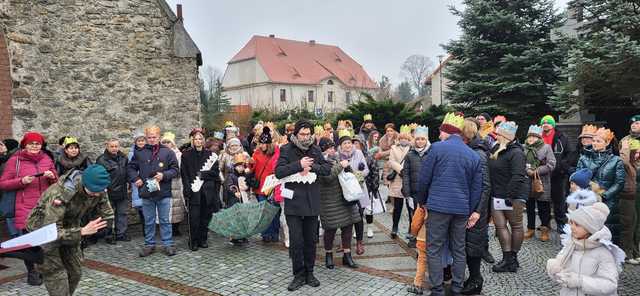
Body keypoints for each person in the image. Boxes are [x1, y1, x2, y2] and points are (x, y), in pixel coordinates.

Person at [416, 113, 482, 296]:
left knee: (434, 248)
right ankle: (456, 288)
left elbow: (423, 180)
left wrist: (423, 202)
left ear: (449, 132)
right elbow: (477, 188)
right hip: (461, 210)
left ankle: (437, 289)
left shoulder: (436, 149)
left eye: (441, 132)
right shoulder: (473, 156)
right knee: (459, 249)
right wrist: (470, 210)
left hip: (437, 207)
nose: (439, 135)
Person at [25, 164, 114, 296]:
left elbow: (107, 213)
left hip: (70, 227)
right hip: (43, 231)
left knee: (75, 272)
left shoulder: (98, 188)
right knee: (56, 275)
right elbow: (51, 231)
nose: (96, 194)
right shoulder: (61, 193)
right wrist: (82, 232)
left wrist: (105, 226)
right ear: (84, 183)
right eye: (93, 191)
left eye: (99, 191)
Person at [275, 119, 332, 291]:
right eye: (302, 134)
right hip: (293, 203)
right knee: (297, 241)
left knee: (310, 240)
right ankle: (298, 274)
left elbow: (326, 169)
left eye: (308, 134)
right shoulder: (286, 149)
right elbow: (279, 172)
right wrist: (298, 165)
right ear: (296, 134)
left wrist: (312, 167)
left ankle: (310, 272)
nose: (306, 137)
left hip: (311, 203)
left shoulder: (315, 149)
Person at [0, 132, 57, 286]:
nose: (34, 146)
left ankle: (43, 268)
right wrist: (21, 181)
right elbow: (3, 183)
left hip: (45, 206)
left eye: (37, 144)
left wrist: (52, 176)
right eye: (31, 143)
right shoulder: (15, 160)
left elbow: (56, 181)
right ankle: (32, 272)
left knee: (45, 239)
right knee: (30, 242)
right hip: (25, 207)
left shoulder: (46, 158)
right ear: (24, 145)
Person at [546, 202, 622, 296]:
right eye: (571, 223)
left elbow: (610, 284)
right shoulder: (571, 245)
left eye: (577, 225)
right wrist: (555, 270)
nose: (572, 227)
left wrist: (580, 281)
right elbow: (563, 272)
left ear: (590, 228)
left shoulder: (604, 253)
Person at [128, 126, 179, 257]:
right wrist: (136, 178)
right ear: (146, 137)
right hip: (146, 192)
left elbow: (175, 170)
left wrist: (164, 175)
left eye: (154, 137)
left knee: (164, 220)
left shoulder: (168, 152)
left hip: (163, 192)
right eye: (149, 137)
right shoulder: (139, 152)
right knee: (149, 220)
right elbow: (131, 168)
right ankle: (149, 244)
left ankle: (168, 244)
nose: (151, 139)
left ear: (159, 136)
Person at [488, 121, 527, 273]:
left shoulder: (517, 153)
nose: (496, 136)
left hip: (513, 196)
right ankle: (506, 258)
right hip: (497, 194)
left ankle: (512, 258)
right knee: (500, 226)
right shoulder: (497, 148)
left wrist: (509, 196)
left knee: (516, 225)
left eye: (499, 134)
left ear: (506, 136)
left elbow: (518, 176)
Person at [576, 127, 625, 245]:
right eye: (593, 141)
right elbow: (578, 179)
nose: (594, 143)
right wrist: (590, 193)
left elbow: (619, 182)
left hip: (609, 202)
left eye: (598, 141)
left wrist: (605, 195)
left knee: (608, 232)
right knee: (588, 232)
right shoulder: (584, 158)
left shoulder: (616, 160)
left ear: (607, 143)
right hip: (589, 201)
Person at [459, 119, 491, 295]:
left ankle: (476, 280)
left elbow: (486, 185)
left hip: (476, 209)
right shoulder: (472, 149)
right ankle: (472, 279)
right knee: (468, 244)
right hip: (469, 206)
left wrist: (478, 211)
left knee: (473, 246)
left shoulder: (478, 153)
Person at [317, 137, 359, 269]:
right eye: (329, 147)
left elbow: (349, 174)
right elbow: (327, 178)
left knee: (347, 226)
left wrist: (348, 168)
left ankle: (347, 255)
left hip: (344, 199)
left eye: (333, 147)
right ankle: (328, 255)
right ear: (323, 150)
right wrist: (341, 166)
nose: (332, 150)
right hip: (328, 201)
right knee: (330, 229)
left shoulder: (337, 158)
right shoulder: (320, 163)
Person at [181, 128, 222, 251]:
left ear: (204, 141)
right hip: (193, 191)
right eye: (196, 139)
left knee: (205, 217)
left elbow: (215, 173)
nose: (198, 141)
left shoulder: (211, 155)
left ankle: (203, 239)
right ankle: (193, 241)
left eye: (200, 139)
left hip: (207, 192)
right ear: (192, 141)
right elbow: (184, 174)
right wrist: (187, 189)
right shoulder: (186, 155)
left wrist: (203, 175)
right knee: (194, 218)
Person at [540, 115, 574, 233]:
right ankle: (545, 223)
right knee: (543, 201)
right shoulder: (538, 137)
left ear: (553, 125)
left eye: (548, 122)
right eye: (543, 123)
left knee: (559, 200)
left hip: (558, 174)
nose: (545, 124)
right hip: (542, 174)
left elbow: (569, 154)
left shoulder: (561, 137)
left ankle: (560, 222)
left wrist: (561, 167)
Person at [337, 130, 369, 255]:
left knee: (358, 216)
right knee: (344, 217)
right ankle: (345, 243)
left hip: (358, 189)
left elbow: (366, 169)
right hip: (344, 190)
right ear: (340, 146)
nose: (348, 145)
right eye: (345, 143)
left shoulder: (359, 153)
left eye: (349, 143)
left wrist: (359, 175)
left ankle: (360, 242)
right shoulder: (337, 155)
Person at [523, 125, 557, 242]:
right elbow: (520, 163)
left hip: (542, 181)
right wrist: (528, 171)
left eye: (534, 137)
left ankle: (544, 229)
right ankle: (530, 228)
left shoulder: (546, 147)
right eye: (529, 137)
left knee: (544, 207)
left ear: (539, 138)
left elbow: (552, 164)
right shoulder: (524, 148)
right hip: (527, 181)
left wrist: (537, 171)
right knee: (529, 207)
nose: (531, 139)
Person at [95, 138, 130, 244]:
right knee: (108, 215)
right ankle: (108, 235)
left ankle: (121, 234)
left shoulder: (124, 158)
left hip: (122, 190)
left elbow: (127, 172)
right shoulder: (101, 160)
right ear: (107, 146)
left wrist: (129, 184)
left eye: (116, 146)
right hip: (108, 191)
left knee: (122, 213)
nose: (114, 148)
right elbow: (99, 176)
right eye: (112, 146)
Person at [401, 125, 430, 248]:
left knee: (426, 217)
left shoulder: (432, 153)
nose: (420, 141)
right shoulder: (410, 155)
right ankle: (413, 236)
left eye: (422, 139)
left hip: (428, 192)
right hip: (414, 191)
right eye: (418, 139)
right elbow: (406, 174)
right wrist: (407, 192)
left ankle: (425, 239)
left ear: (426, 139)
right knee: (414, 216)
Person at [252, 126, 282, 243]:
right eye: (260, 143)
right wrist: (249, 164)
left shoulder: (277, 152)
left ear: (268, 144)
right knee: (264, 212)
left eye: (263, 144)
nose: (261, 146)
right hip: (260, 188)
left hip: (273, 186)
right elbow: (253, 168)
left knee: (274, 211)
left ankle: (274, 233)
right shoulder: (257, 153)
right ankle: (265, 234)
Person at [224, 153, 256, 245]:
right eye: (238, 166)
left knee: (244, 218)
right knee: (236, 219)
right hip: (234, 200)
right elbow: (229, 185)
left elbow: (249, 183)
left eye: (242, 166)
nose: (240, 168)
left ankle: (243, 235)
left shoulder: (246, 175)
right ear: (235, 167)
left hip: (244, 199)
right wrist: (234, 192)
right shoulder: (231, 176)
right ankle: (235, 237)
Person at [620, 115, 640, 263]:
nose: (634, 125)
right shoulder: (625, 141)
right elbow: (624, 163)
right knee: (630, 220)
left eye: (637, 123)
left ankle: (636, 250)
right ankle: (628, 251)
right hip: (632, 183)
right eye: (633, 123)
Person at [388, 125, 413, 239]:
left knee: (410, 207)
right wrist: (401, 170)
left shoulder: (413, 148)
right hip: (398, 179)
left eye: (407, 138)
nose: (404, 140)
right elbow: (392, 162)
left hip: (410, 179)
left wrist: (406, 171)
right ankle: (395, 227)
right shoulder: (394, 148)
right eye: (402, 138)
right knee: (397, 206)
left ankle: (411, 229)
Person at [160, 132, 186, 237]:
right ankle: (166, 228)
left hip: (175, 182)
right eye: (164, 142)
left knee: (176, 207)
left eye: (168, 142)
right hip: (163, 182)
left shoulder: (178, 155)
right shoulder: (159, 153)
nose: (166, 144)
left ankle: (176, 228)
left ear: (172, 144)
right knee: (165, 206)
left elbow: (181, 169)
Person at [0, 138, 20, 238]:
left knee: (11, 215)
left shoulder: (11, 159)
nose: (0, 146)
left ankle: (17, 239)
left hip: (12, 192)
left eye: (2, 144)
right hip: (7, 192)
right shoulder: (5, 158)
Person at [128, 131, 146, 238]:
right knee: (141, 206)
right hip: (137, 181)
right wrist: (135, 178)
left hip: (148, 180)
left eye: (142, 140)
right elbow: (130, 168)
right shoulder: (132, 153)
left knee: (148, 205)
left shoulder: (149, 151)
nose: (141, 142)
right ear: (135, 142)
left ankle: (149, 227)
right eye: (139, 140)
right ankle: (144, 227)